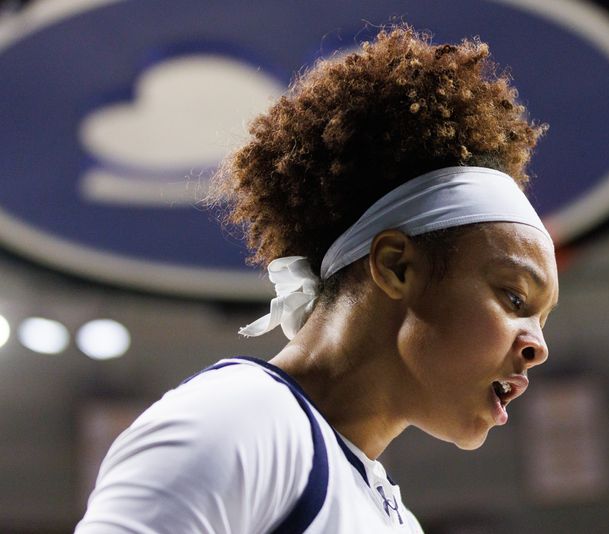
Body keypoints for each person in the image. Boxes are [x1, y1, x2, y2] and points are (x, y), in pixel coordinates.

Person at [76, 25, 559, 533]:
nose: (539, 347)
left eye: (542, 319)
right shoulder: (241, 421)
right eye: (514, 297)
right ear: (397, 266)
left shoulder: (396, 518)